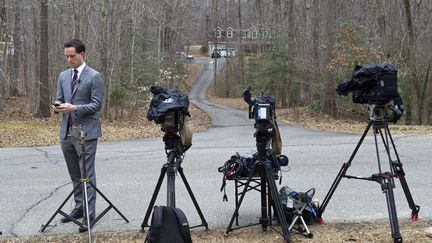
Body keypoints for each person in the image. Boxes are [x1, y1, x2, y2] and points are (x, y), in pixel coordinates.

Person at [52, 39, 104, 232]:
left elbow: (97, 105)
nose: (69, 59)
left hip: (86, 133)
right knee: (75, 174)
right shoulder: (63, 76)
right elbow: (59, 97)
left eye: (72, 56)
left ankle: (90, 214)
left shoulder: (94, 76)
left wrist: (75, 108)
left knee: (87, 174)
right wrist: (57, 106)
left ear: (82, 54)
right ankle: (79, 207)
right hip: (67, 131)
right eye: (67, 56)